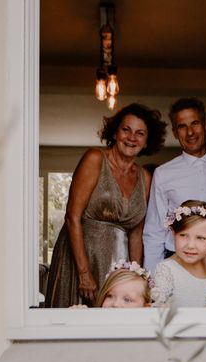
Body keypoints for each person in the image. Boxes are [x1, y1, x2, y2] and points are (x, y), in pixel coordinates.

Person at [45, 103, 167, 307]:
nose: (131, 137)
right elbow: (72, 217)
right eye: (125, 129)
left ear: (146, 142)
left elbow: (136, 233)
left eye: (140, 133)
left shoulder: (145, 178)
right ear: (115, 133)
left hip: (119, 263)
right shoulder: (95, 159)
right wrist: (84, 272)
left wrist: (134, 278)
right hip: (82, 257)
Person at [143, 98, 206, 274]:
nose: (190, 132)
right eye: (182, 126)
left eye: (195, 123)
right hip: (177, 262)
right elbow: (154, 231)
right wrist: (152, 281)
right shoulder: (163, 173)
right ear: (175, 133)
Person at [151, 200, 206, 308]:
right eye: (183, 235)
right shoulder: (165, 270)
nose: (190, 245)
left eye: (200, 238)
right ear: (173, 234)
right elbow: (158, 312)